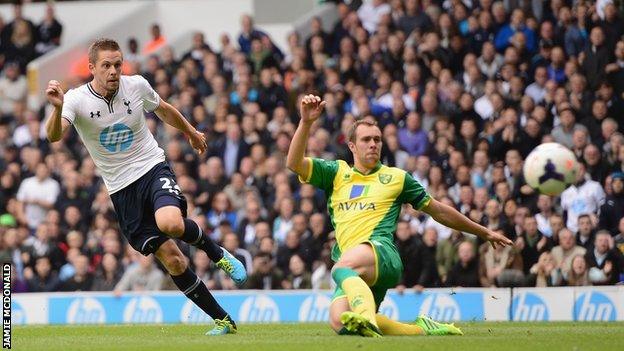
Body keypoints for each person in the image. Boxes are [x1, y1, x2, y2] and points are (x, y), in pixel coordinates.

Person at [44, 38, 246, 335]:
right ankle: (223, 320)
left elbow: (163, 109)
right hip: (121, 190)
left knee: (171, 223)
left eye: (117, 64)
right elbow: (54, 136)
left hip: (151, 167)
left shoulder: (136, 85)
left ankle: (219, 255)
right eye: (106, 66)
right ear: (92, 68)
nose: (114, 71)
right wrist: (57, 108)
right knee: (173, 260)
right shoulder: (75, 99)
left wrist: (190, 132)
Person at [286, 95, 513, 337]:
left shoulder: (397, 177)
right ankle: (420, 329)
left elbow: (437, 210)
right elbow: (294, 163)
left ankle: (366, 316)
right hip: (356, 270)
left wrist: (483, 231)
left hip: (381, 253)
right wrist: (306, 123)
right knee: (340, 323)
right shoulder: (336, 173)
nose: (373, 144)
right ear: (352, 146)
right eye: (366, 140)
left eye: (377, 139)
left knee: (340, 269)